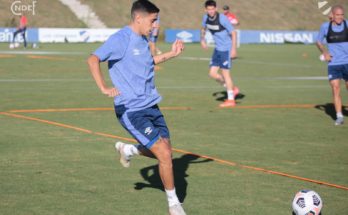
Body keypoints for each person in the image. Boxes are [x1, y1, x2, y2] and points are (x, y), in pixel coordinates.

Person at [87, 1, 186, 214]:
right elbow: (93, 59)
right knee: (165, 155)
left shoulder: (143, 39)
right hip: (131, 110)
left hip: (151, 104)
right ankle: (174, 204)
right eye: (153, 20)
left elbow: (149, 62)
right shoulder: (120, 39)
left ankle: (129, 149)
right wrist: (104, 87)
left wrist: (172, 54)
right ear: (138, 18)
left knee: (166, 151)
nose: (155, 25)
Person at [201, 0, 239, 108]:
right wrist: (202, 40)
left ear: (216, 8)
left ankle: (231, 100)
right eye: (209, 9)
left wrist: (233, 49)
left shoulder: (222, 18)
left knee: (226, 74)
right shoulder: (205, 18)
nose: (211, 11)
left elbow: (233, 32)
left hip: (226, 49)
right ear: (205, 10)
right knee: (212, 74)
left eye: (213, 9)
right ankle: (232, 89)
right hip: (217, 49)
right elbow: (203, 28)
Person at [316, 5, 348, 126]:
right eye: (338, 15)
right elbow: (318, 42)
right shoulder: (325, 27)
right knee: (335, 88)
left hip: (347, 62)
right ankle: (339, 116)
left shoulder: (347, 25)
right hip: (334, 64)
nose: (341, 17)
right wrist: (325, 52)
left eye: (342, 15)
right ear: (333, 16)